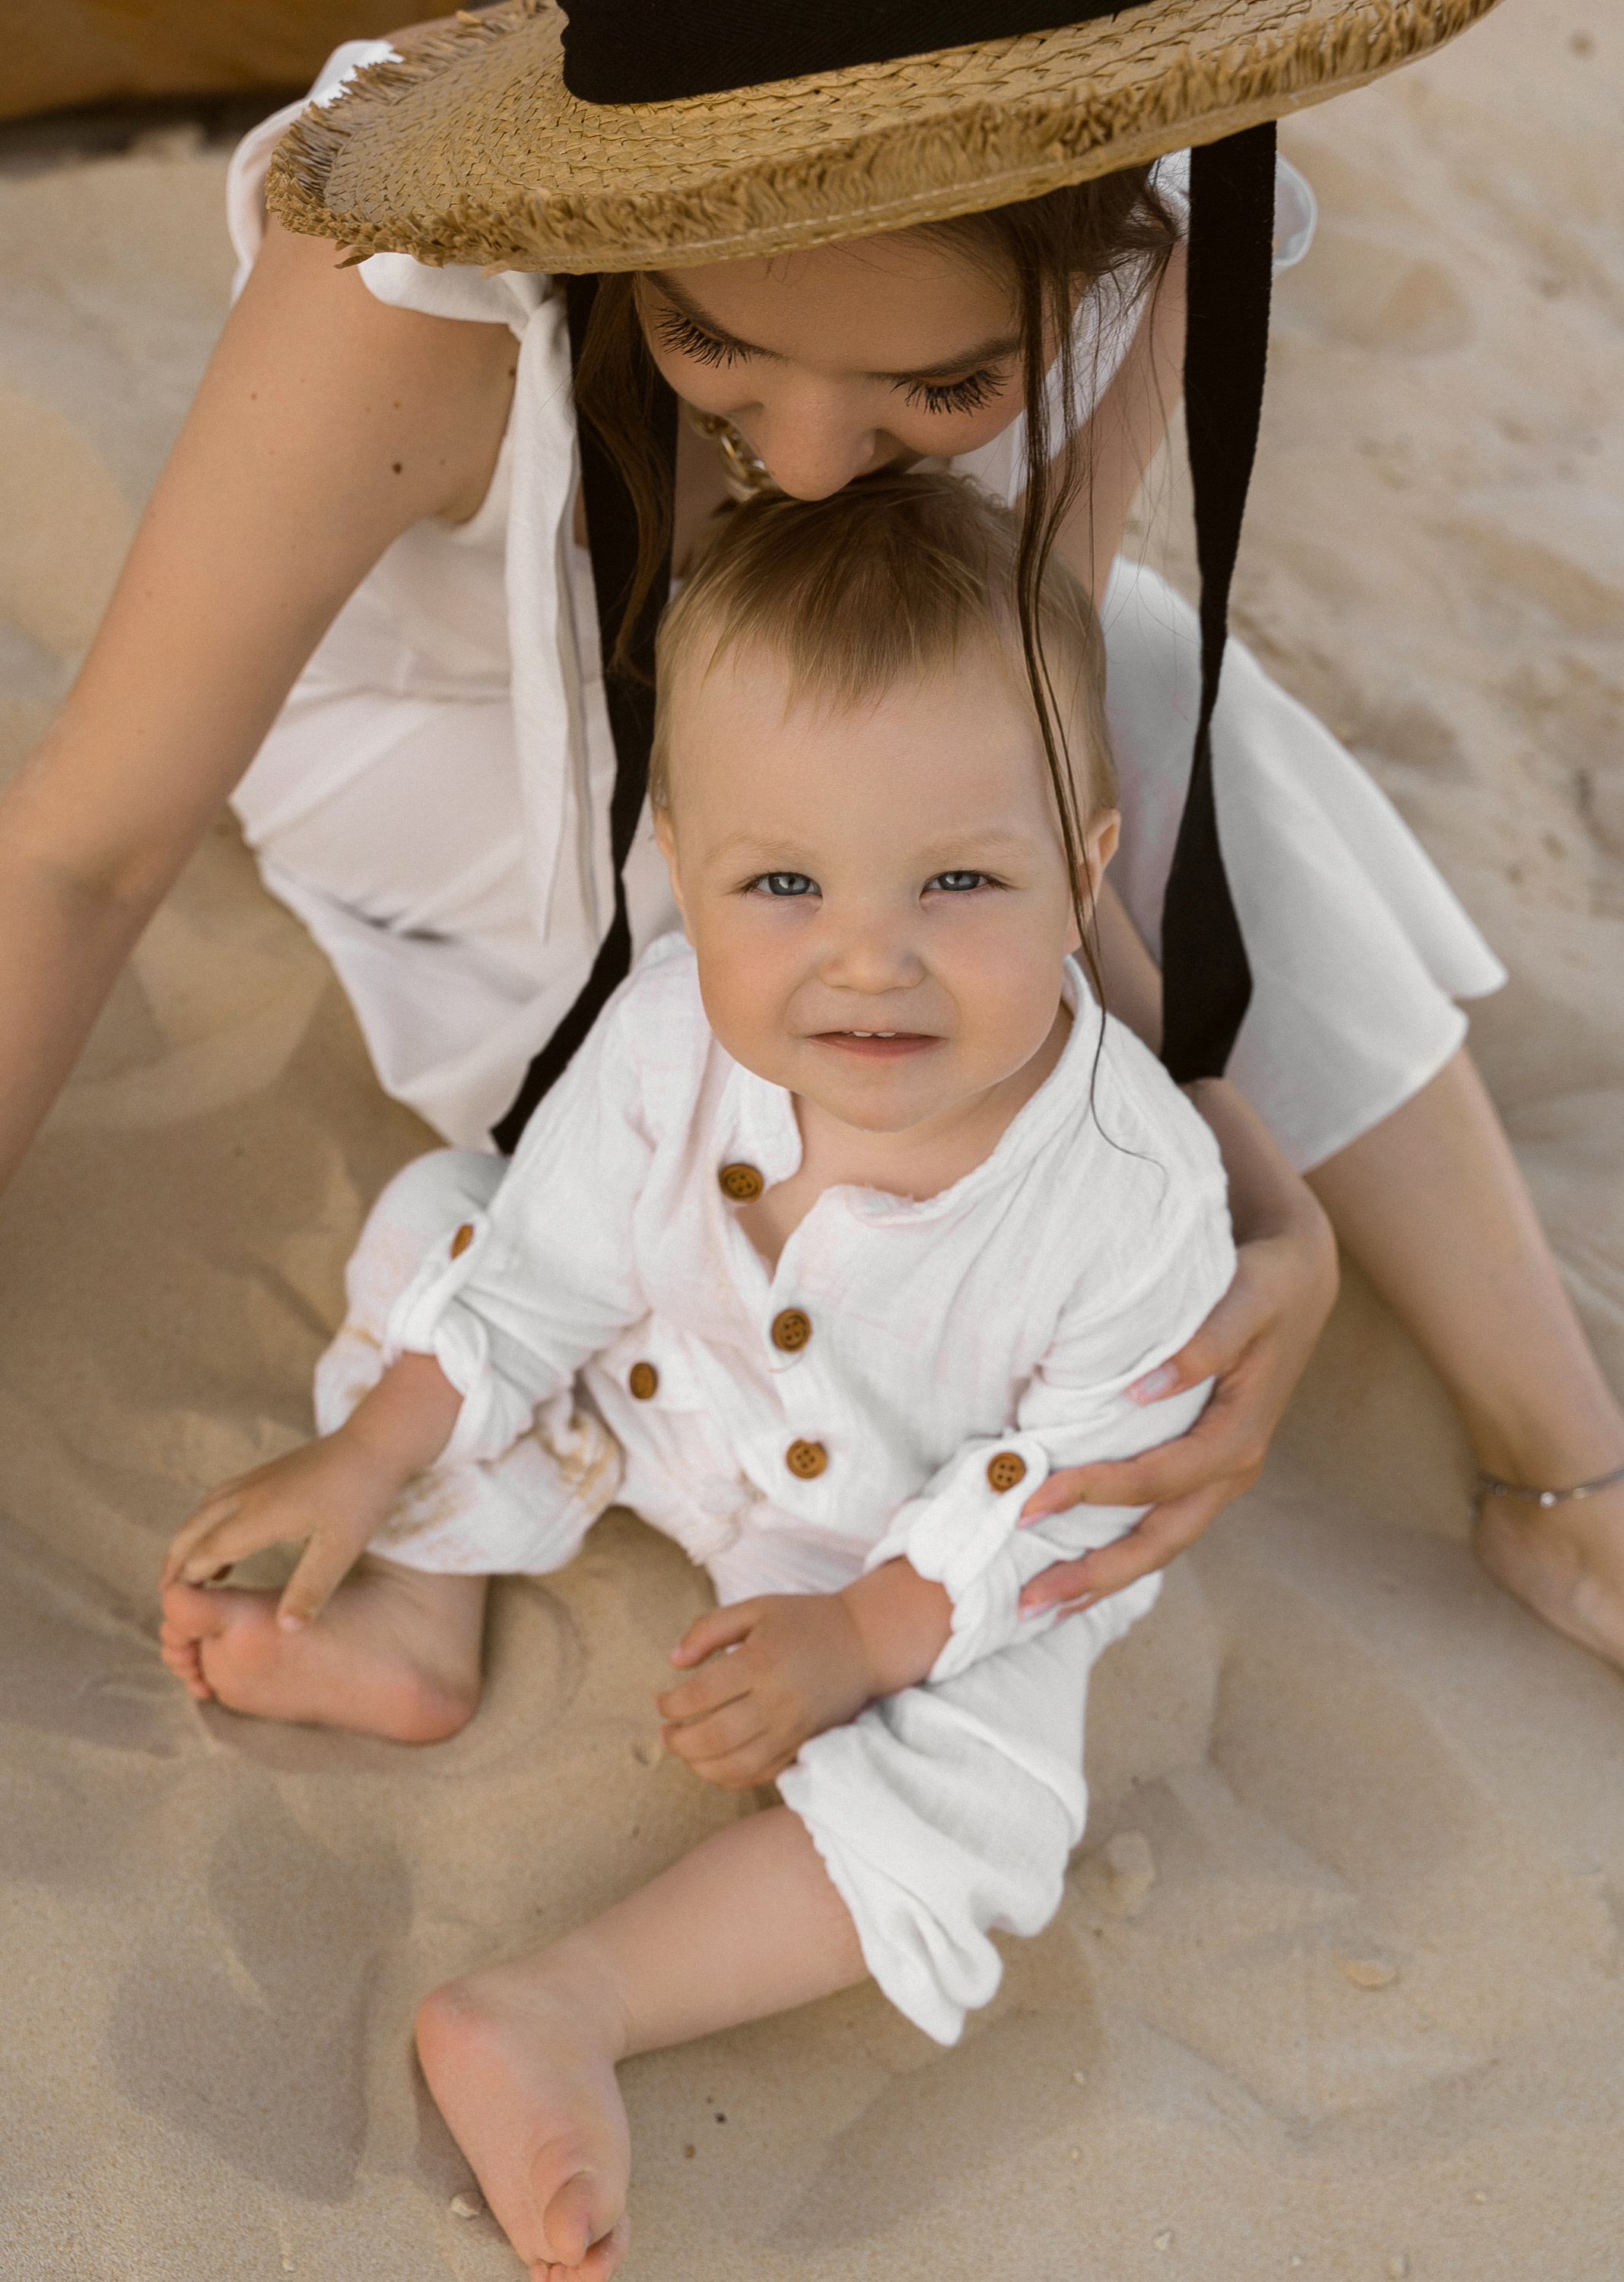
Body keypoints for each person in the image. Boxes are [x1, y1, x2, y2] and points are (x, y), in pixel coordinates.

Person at [4, 1, 1620, 1668]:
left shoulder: (1149, 222)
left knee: (1117, 660)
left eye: (943, 384)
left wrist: (1256, 1185)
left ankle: (1568, 1482)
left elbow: (1014, 753)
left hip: (873, 765)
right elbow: (80, 850)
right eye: (715, 346)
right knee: (795, 1037)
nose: (812, 465)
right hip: (477, 754)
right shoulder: (417, 288)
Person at [160, 472, 1241, 2274]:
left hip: (908, 1537)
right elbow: (542, 1278)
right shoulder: (670, 1031)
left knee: (992, 1787)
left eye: (962, 878)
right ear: (687, 862)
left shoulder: (1135, 1202)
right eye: (786, 882)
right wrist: (371, 1460)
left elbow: (1067, 1483)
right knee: (449, 1219)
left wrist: (870, 1637)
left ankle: (568, 2006)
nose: (868, 956)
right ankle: (420, 1611)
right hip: (665, 1399)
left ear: (1087, 867)